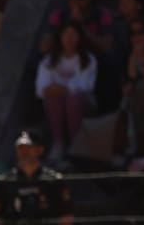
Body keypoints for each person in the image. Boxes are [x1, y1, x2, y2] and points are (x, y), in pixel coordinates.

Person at [36, 19, 98, 161]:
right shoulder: (48, 61)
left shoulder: (88, 60)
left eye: (73, 35)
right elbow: (40, 90)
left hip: (83, 104)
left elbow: (86, 87)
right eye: (66, 35)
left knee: (73, 100)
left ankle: (76, 144)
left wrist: (62, 88)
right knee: (54, 99)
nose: (69, 39)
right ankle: (58, 142)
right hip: (56, 104)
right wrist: (59, 90)